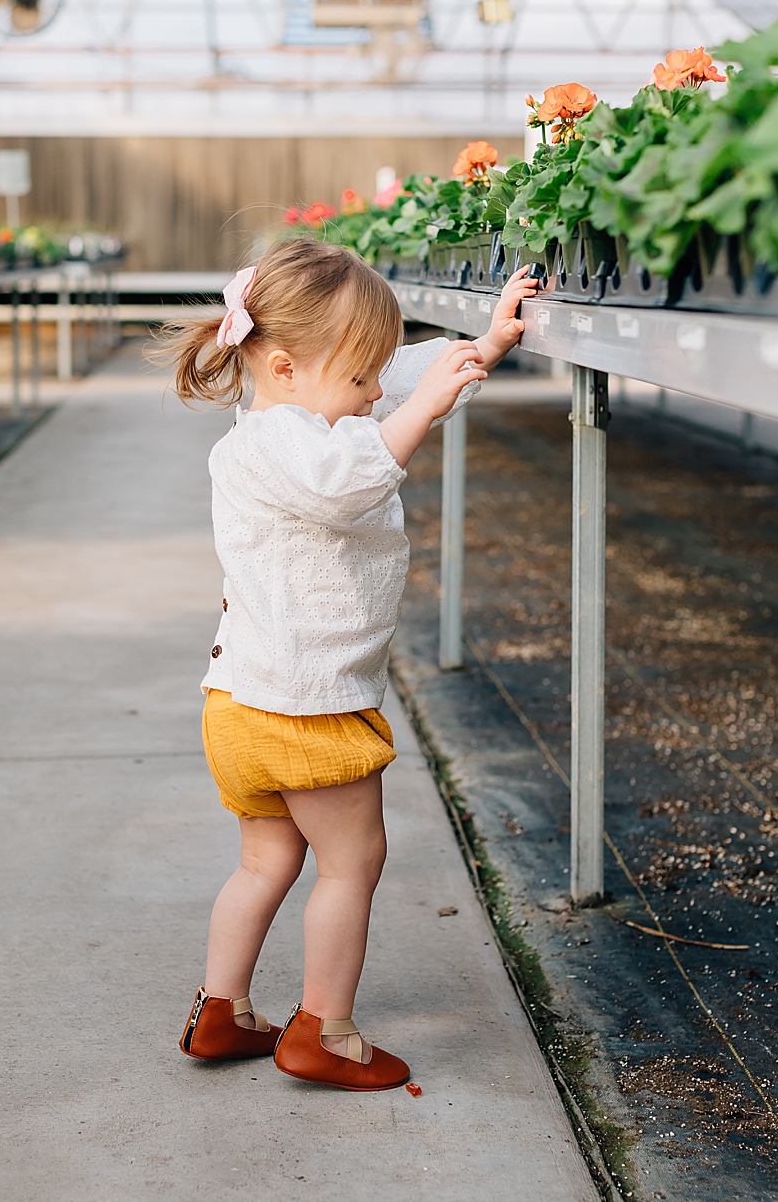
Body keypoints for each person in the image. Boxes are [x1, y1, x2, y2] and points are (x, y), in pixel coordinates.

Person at [166, 236, 538, 1091]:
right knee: (351, 864)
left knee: (266, 862)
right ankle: (323, 1032)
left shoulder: (281, 414)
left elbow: (391, 374)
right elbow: (350, 480)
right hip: (308, 711)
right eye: (361, 380)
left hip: (240, 707)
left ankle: (220, 1012)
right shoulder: (297, 451)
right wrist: (424, 412)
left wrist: (475, 349)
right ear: (288, 368)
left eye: (380, 379)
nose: (377, 394)